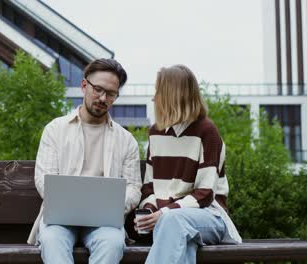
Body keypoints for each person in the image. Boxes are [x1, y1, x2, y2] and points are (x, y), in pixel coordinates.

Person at [27, 58, 142, 264]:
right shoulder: (55, 130)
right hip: (60, 220)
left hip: (104, 222)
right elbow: (43, 179)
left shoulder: (126, 141)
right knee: (52, 240)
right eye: (97, 89)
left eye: (111, 94)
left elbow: (134, 188)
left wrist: (113, 205)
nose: (103, 98)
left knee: (113, 243)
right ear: (84, 85)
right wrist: (72, 204)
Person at [134, 65, 242, 264]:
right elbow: (149, 187)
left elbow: (205, 194)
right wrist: (148, 211)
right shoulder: (156, 133)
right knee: (181, 240)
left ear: (172, 96)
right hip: (170, 223)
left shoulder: (207, 132)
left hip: (209, 217)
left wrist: (164, 213)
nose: (153, 98)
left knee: (174, 222)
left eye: (158, 92)